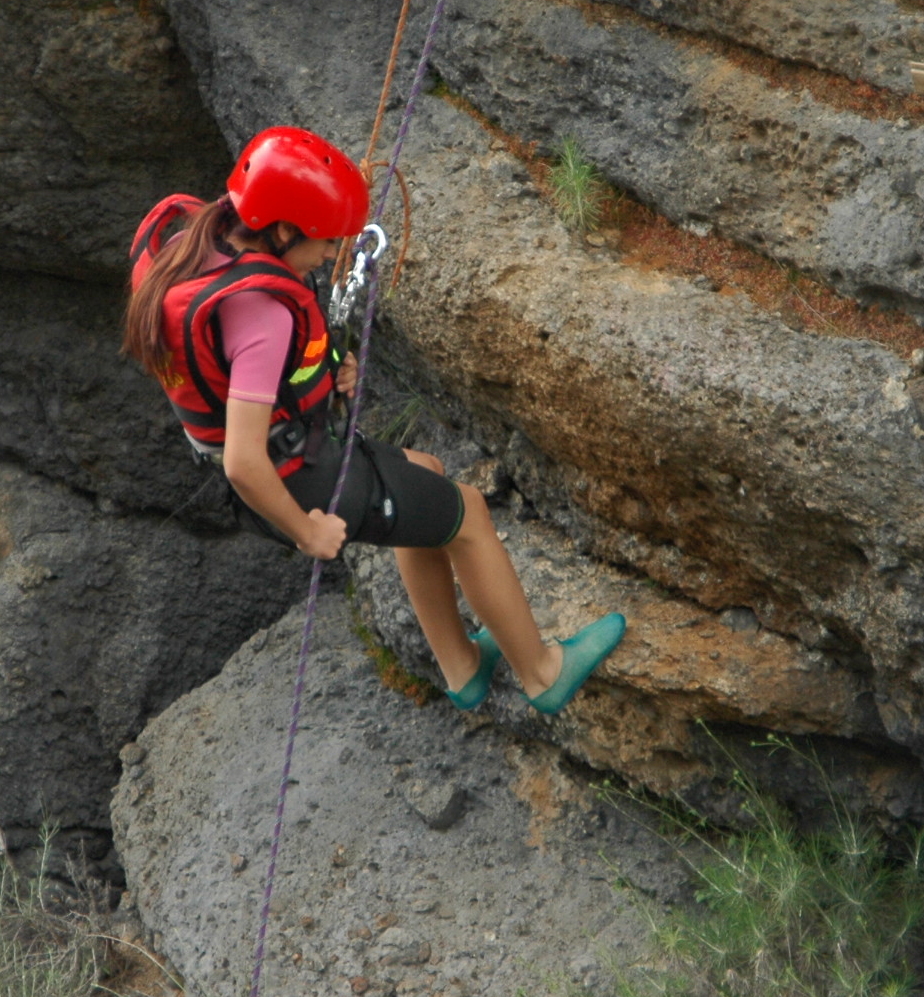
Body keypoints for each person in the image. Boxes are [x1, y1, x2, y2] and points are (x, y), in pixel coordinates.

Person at [123, 126, 625, 713]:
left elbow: (236, 377)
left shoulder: (201, 244)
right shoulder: (261, 314)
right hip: (297, 481)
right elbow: (242, 460)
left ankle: (462, 667)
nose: (333, 254)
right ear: (282, 229)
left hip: (294, 454)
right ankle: (543, 674)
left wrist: (321, 370)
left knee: (427, 471)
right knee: (469, 513)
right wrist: (308, 532)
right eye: (326, 242)